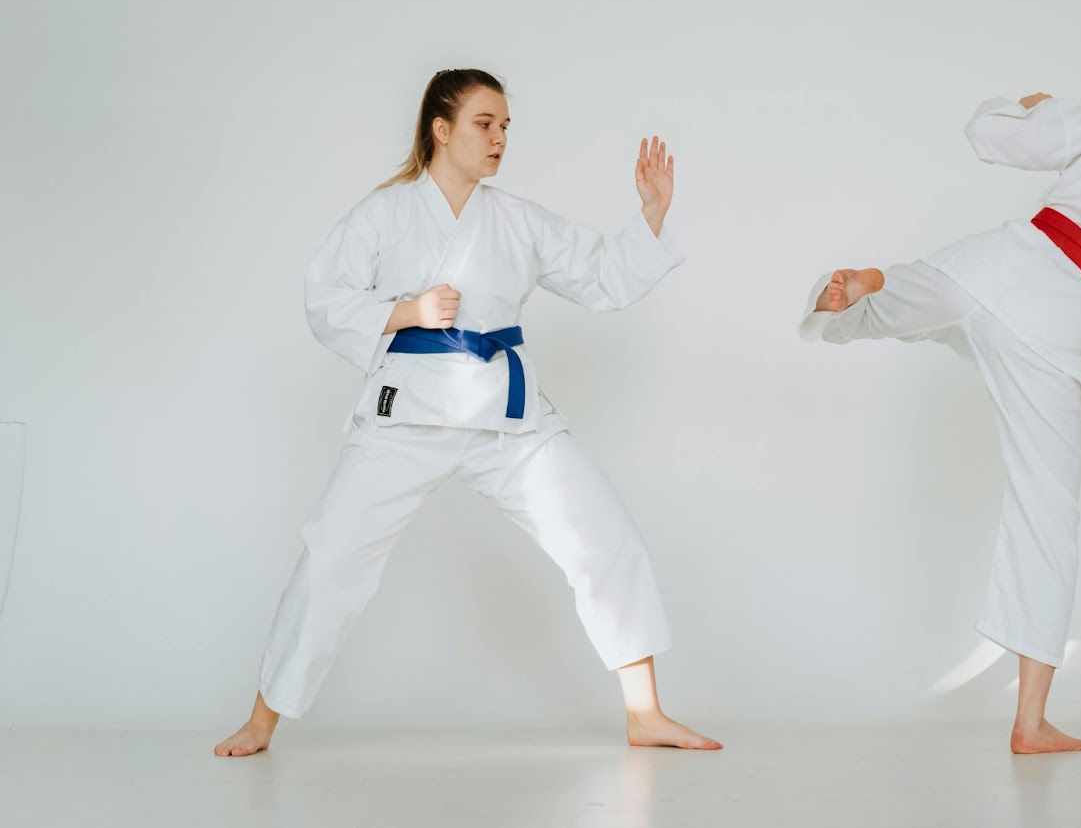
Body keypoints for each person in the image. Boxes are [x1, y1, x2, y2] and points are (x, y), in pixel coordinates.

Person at [216, 68, 719, 756]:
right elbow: (323, 296)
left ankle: (644, 713)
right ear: (441, 129)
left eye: (507, 126)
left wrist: (651, 215)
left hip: (506, 419)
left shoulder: (515, 219)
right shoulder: (384, 213)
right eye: (485, 123)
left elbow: (600, 275)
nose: (500, 138)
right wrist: (406, 311)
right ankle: (262, 718)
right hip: (407, 418)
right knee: (331, 553)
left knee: (605, 536)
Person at [799, 38, 1081, 754]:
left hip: (994, 266)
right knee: (1046, 514)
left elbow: (988, 135)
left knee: (918, 301)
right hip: (1057, 334)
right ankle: (1030, 721)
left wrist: (1027, 107)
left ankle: (868, 291)